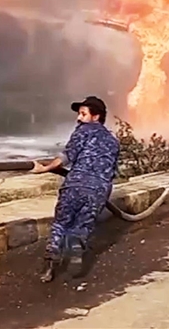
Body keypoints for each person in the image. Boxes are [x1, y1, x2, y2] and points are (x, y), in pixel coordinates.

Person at [31, 96, 119, 283]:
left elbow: (67, 156)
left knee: (60, 224)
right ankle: (76, 251)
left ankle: (49, 266)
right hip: (100, 190)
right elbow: (111, 169)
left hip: (76, 185)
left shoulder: (83, 131)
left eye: (83, 114)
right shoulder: (113, 140)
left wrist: (44, 168)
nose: (78, 118)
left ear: (96, 116)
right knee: (83, 226)